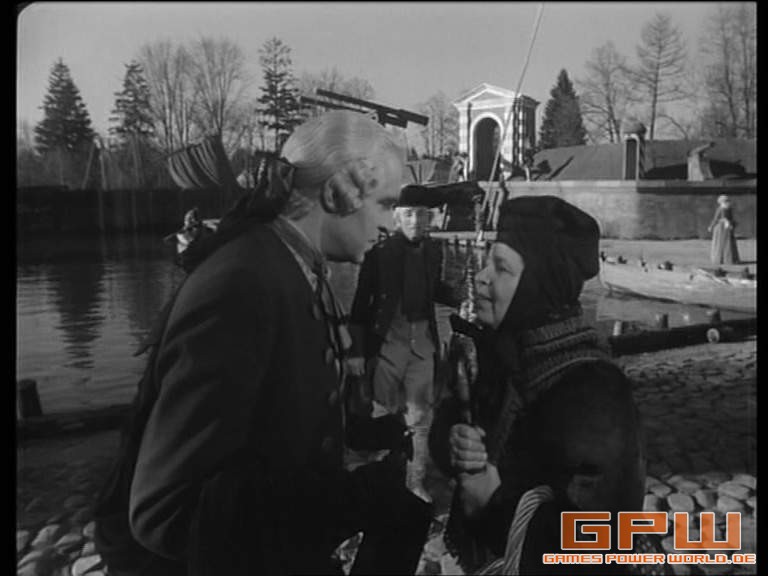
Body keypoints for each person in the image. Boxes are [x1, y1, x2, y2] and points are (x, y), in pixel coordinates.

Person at [93, 111, 433, 576]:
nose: (391, 224)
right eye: (386, 203)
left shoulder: (293, 266)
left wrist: (365, 433)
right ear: (339, 190)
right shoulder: (243, 285)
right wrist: (350, 501)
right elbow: (165, 512)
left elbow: (270, 414)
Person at [429, 196, 652, 575]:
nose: (481, 276)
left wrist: (495, 502)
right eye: (488, 262)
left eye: (501, 267)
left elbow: (601, 539)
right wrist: (453, 441)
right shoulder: (499, 354)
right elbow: (452, 425)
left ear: (540, 285)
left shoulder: (594, 393)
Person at [347, 184, 462, 495]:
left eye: (422, 215)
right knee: (382, 413)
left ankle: (415, 483)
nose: (416, 221)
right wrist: (356, 352)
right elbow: (360, 306)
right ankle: (380, 481)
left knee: (421, 418)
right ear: (397, 218)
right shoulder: (378, 255)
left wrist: (456, 295)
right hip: (387, 344)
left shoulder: (434, 252)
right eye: (409, 214)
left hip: (423, 345)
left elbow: (432, 290)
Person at [708, 194, 740, 265]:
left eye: (728, 201)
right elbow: (716, 219)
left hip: (727, 229)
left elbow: (731, 218)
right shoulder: (720, 209)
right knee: (721, 243)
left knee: (728, 243)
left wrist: (733, 224)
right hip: (720, 229)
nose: (727, 202)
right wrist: (711, 226)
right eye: (725, 201)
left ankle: (730, 259)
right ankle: (720, 259)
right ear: (721, 202)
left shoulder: (729, 209)